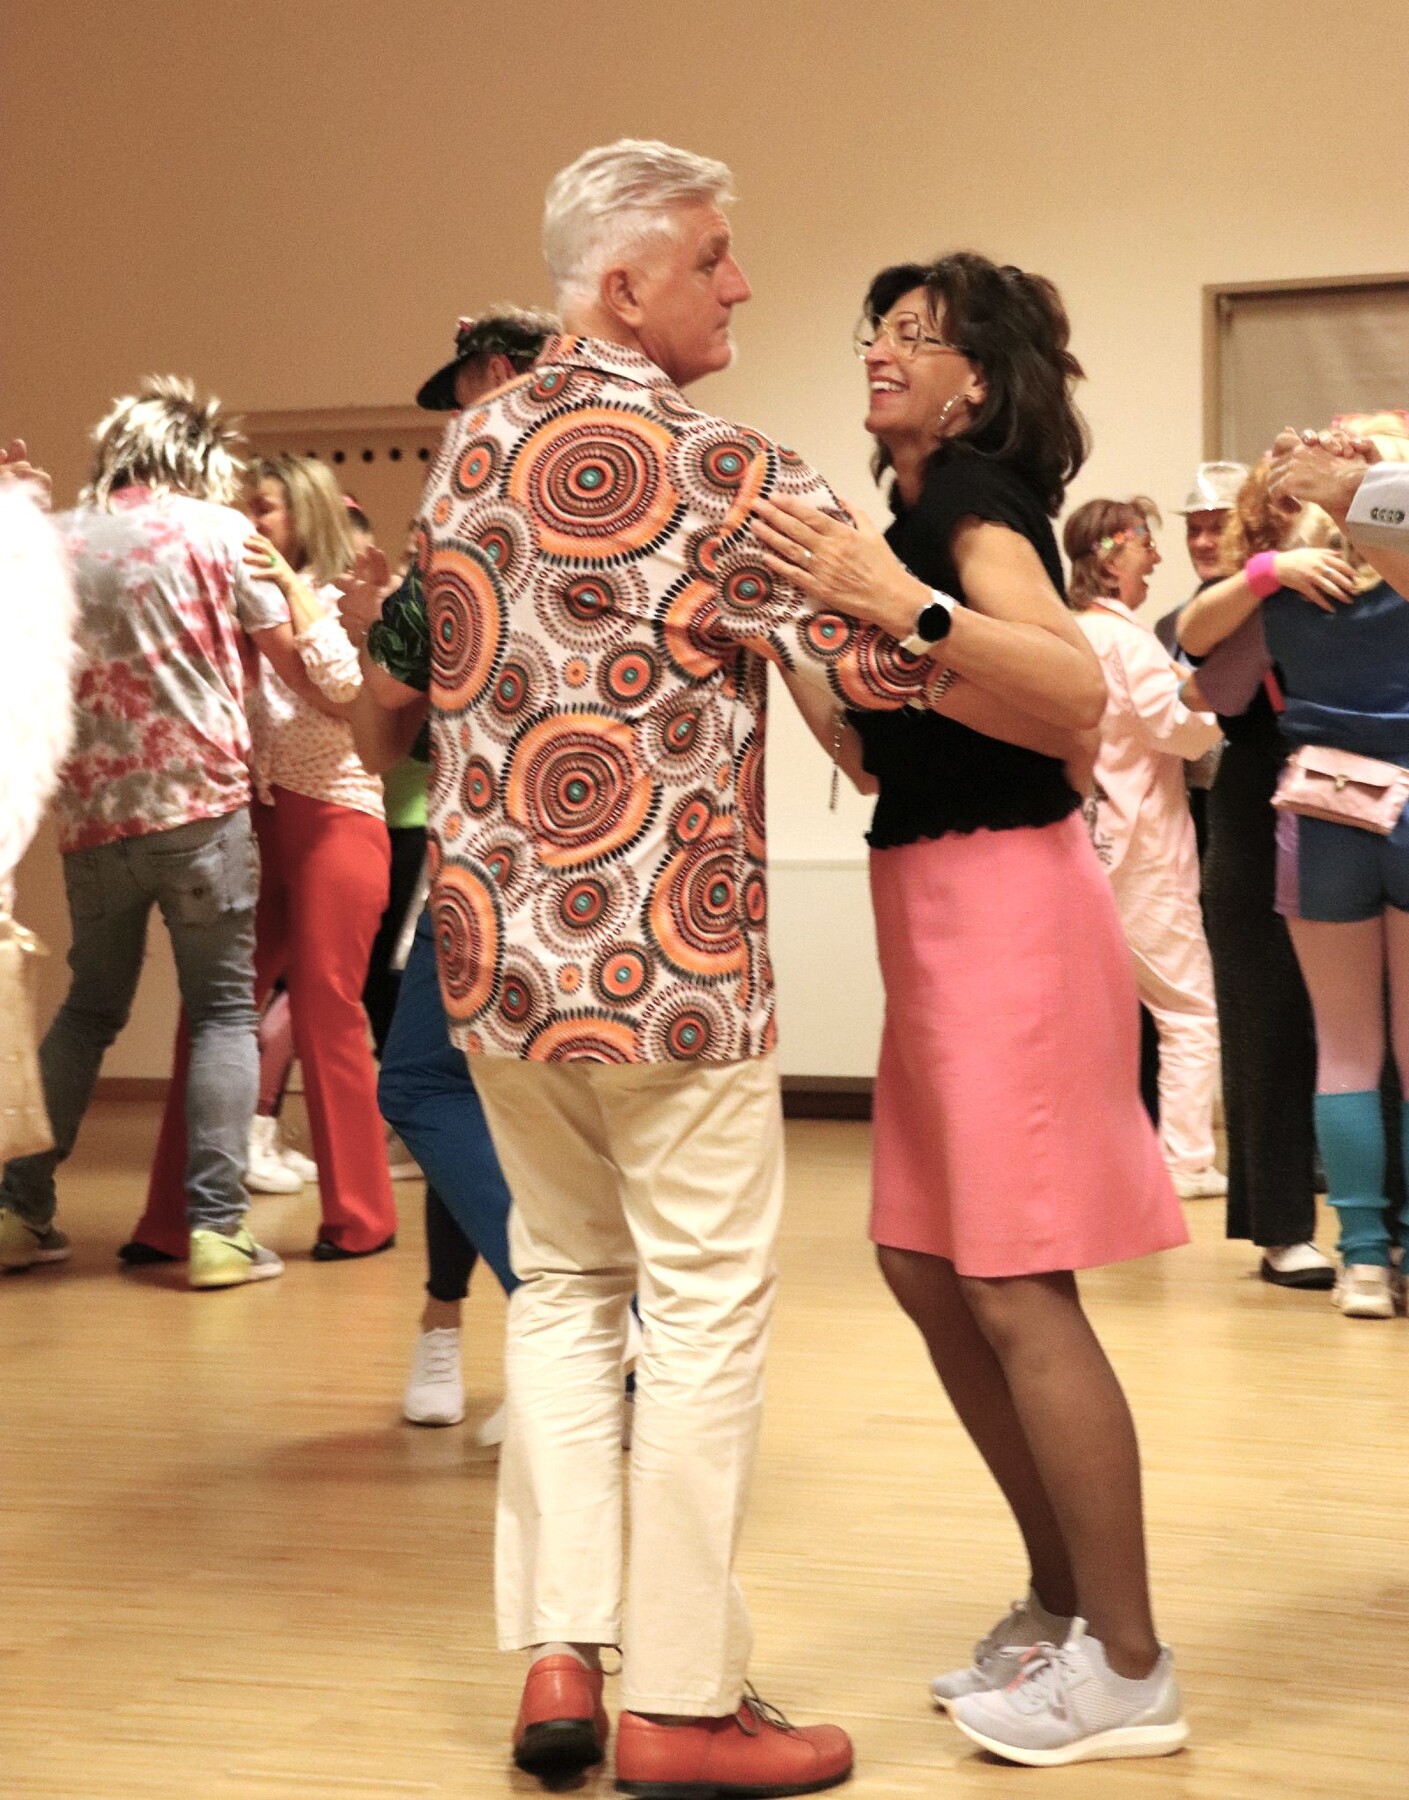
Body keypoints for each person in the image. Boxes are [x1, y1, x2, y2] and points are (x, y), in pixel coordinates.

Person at [415, 145, 1098, 1794]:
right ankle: (682, 1699)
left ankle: (563, 1655)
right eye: (712, 259)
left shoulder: (464, 452)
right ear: (623, 285)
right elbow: (930, 687)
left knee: (564, 1296)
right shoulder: (724, 468)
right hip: (670, 968)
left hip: (499, 968)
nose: (739, 285)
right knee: (702, 1311)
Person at [751, 253, 1190, 1766]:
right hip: (937, 903)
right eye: (877, 328)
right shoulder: (905, 529)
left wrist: (901, 608)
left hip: (1006, 909)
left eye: (920, 337)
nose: (883, 349)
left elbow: (1073, 698)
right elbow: (887, 757)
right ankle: (1064, 1603)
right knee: (925, 1264)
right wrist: (796, 635)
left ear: (976, 386)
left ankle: (1127, 1665)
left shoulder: (973, 508)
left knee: (1011, 1283)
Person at [0, 380, 321, 1286]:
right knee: (222, 1013)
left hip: (93, 820)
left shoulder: (56, 540)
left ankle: (16, 1213)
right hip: (203, 811)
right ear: (198, 455)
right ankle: (217, 1233)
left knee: (89, 1011)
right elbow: (296, 668)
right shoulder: (223, 534)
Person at [344, 307, 560, 1431]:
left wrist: (370, 634)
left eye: (464, 394)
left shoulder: (466, 508)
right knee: (512, 1104)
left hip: (495, 860)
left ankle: (570, 1332)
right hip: (619, 866)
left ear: (496, 373)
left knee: (431, 1084)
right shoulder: (633, 484)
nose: (454, 424)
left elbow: (381, 726)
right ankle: (552, 1340)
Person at [129, 453, 397, 1262]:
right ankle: (175, 1221)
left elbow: (349, 698)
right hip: (252, 820)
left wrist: (291, 593)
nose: (249, 518)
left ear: (304, 515)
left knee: (324, 1010)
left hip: (337, 819)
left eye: (265, 506)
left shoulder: (342, 598)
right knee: (214, 1012)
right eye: (245, 504)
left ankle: (360, 1217)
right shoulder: (232, 599)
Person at [1192, 424, 1409, 1316]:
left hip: (1319, 818)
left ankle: (1360, 1261)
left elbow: (1205, 685)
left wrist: (1263, 575)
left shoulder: (1286, 597)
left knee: (1345, 1050)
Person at [1177, 462, 1361, 1287]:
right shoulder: (1236, 592)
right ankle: (1282, 1228)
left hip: (1360, 797)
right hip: (1257, 802)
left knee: (1372, 1031)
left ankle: (1377, 1232)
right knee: (1265, 1019)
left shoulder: (1373, 576)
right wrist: (1270, 573)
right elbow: (1200, 671)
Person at [1062, 494, 1225, 1198]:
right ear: (1112, 556)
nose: (1156, 557)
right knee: (1188, 1011)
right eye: (1144, 544)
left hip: (1080, 845)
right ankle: (1185, 1162)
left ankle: (1094, 1154)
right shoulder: (1130, 644)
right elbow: (1177, 730)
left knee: (1092, 1015)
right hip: (1142, 851)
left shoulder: (1068, 634)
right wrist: (1219, 703)